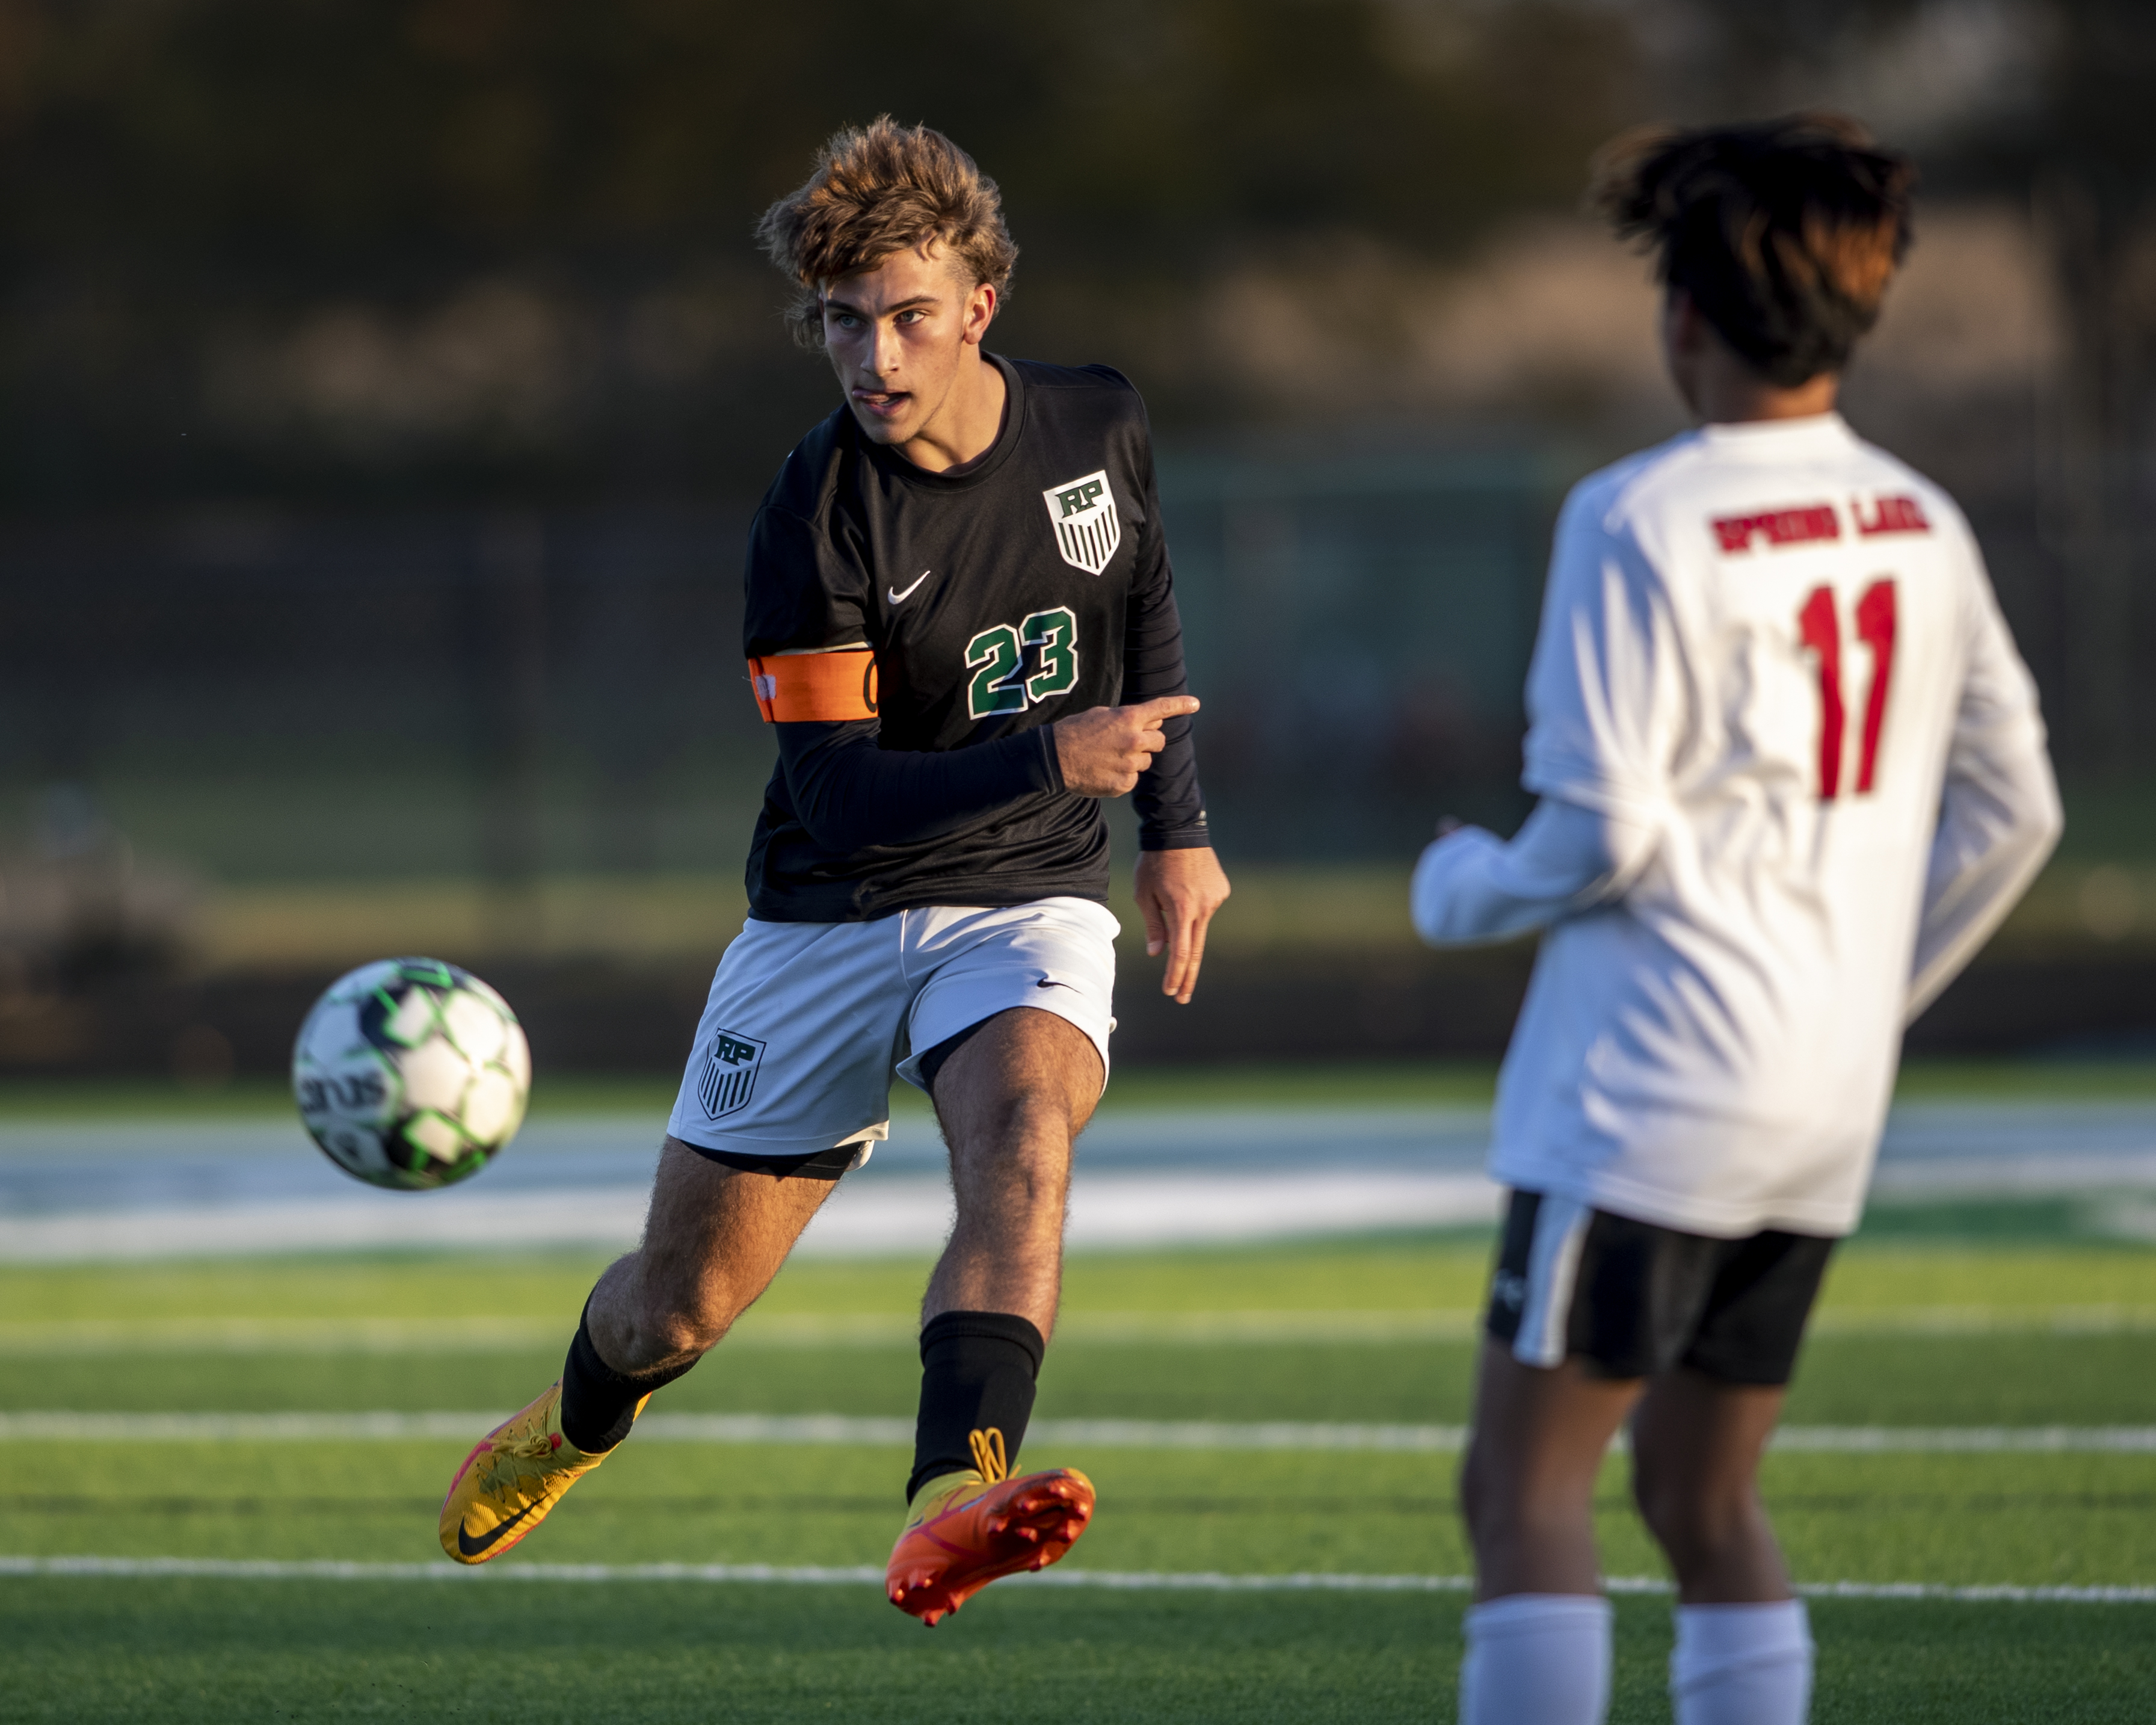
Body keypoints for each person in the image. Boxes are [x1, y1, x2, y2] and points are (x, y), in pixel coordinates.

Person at [438, 116, 1231, 1626]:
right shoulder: (812, 519)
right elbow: (836, 796)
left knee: (1024, 1139)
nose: (875, 355)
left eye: (909, 316)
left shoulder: (1097, 422)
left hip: (1029, 898)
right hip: (831, 911)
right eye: (844, 323)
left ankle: (955, 1497)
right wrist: (1054, 759)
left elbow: (1141, 612)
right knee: (676, 1309)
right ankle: (570, 1424)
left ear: (979, 307)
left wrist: (1176, 831)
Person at [1412, 114, 2061, 1725]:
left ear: (1682, 315)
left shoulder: (1637, 516)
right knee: (1705, 1505)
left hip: (1646, 1097)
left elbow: (1605, 832)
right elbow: (2022, 809)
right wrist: (1870, 995)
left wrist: (1458, 887)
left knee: (1523, 1494)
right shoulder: (1921, 517)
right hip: (1823, 1106)